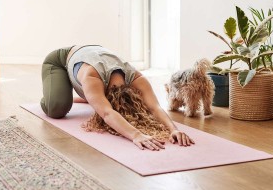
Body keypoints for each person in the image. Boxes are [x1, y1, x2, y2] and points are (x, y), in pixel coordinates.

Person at [40, 45, 194, 151]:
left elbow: (155, 107)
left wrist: (174, 129)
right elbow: (107, 113)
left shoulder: (135, 77)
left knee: (95, 97)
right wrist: (136, 135)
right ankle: (57, 87)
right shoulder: (92, 77)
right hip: (60, 61)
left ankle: (90, 96)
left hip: (92, 60)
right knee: (57, 108)